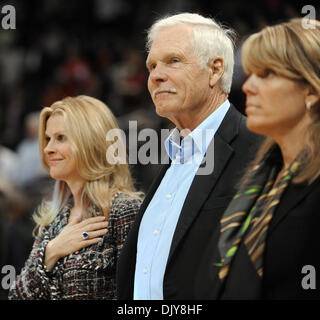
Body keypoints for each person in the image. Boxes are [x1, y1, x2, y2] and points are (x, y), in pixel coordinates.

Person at [117, 13, 262, 299]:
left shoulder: (259, 147)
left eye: (173, 61)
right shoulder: (165, 160)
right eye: (152, 65)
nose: (155, 75)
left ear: (215, 69)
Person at [208, 18, 320, 299]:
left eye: (267, 74)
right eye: (251, 73)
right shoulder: (264, 176)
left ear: (311, 89)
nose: (247, 86)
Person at [8, 95, 143, 300]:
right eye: (47, 138)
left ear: (91, 141)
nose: (48, 149)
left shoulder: (125, 209)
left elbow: (138, 295)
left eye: (61, 138)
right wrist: (51, 251)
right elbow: (17, 296)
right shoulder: (51, 219)